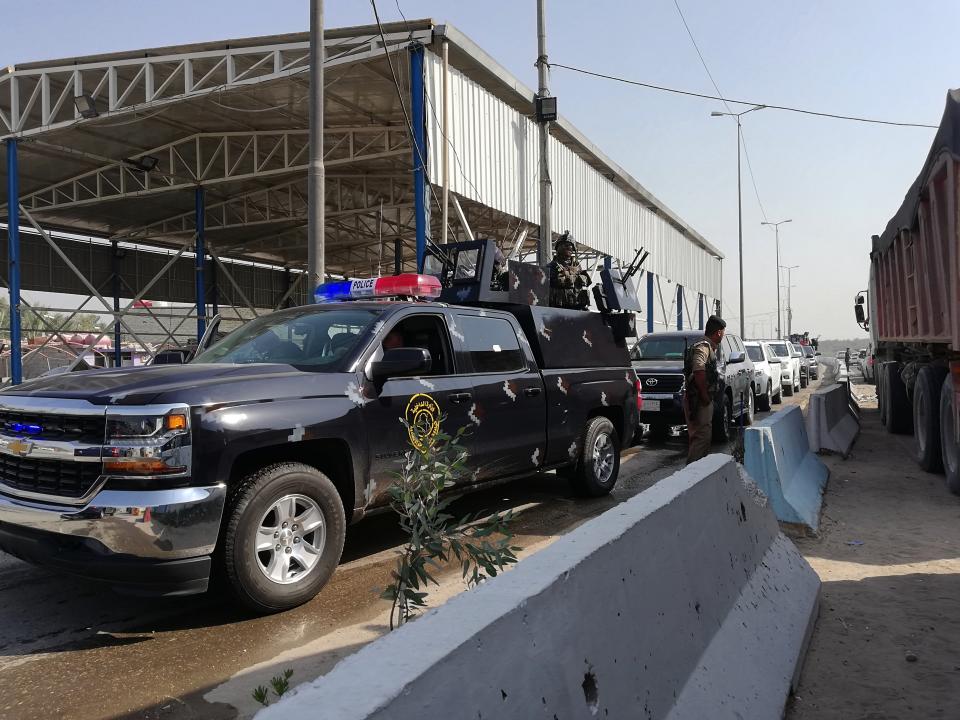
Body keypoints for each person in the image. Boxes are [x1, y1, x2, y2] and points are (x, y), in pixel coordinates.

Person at [683, 315, 726, 464]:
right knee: (701, 438)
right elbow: (699, 370)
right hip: (698, 399)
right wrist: (704, 395)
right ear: (719, 332)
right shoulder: (703, 347)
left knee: (704, 436)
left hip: (700, 398)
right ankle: (691, 475)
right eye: (723, 332)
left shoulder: (708, 346)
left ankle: (698, 472)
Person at [546, 232, 591, 310]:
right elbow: (551, 283)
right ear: (558, 248)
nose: (568, 248)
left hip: (578, 306)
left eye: (570, 247)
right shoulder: (551, 266)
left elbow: (587, 281)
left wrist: (575, 278)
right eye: (565, 245)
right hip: (559, 308)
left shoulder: (577, 266)